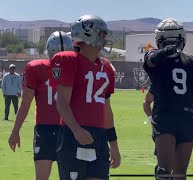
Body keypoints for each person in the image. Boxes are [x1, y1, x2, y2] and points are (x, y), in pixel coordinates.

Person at [143, 18, 193, 180]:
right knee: (164, 170)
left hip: (185, 118)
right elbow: (150, 58)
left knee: (180, 173)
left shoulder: (191, 61)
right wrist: (166, 51)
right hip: (164, 117)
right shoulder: (156, 59)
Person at [49, 15, 120, 180]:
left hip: (99, 136)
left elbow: (106, 111)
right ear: (88, 35)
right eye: (101, 33)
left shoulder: (107, 68)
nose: (105, 38)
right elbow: (61, 103)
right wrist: (76, 129)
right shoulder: (68, 60)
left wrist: (114, 145)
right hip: (73, 136)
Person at [8, 31, 73, 180]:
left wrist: (15, 130)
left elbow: (25, 103)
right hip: (69, 128)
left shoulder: (35, 67)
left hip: (45, 129)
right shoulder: (75, 69)